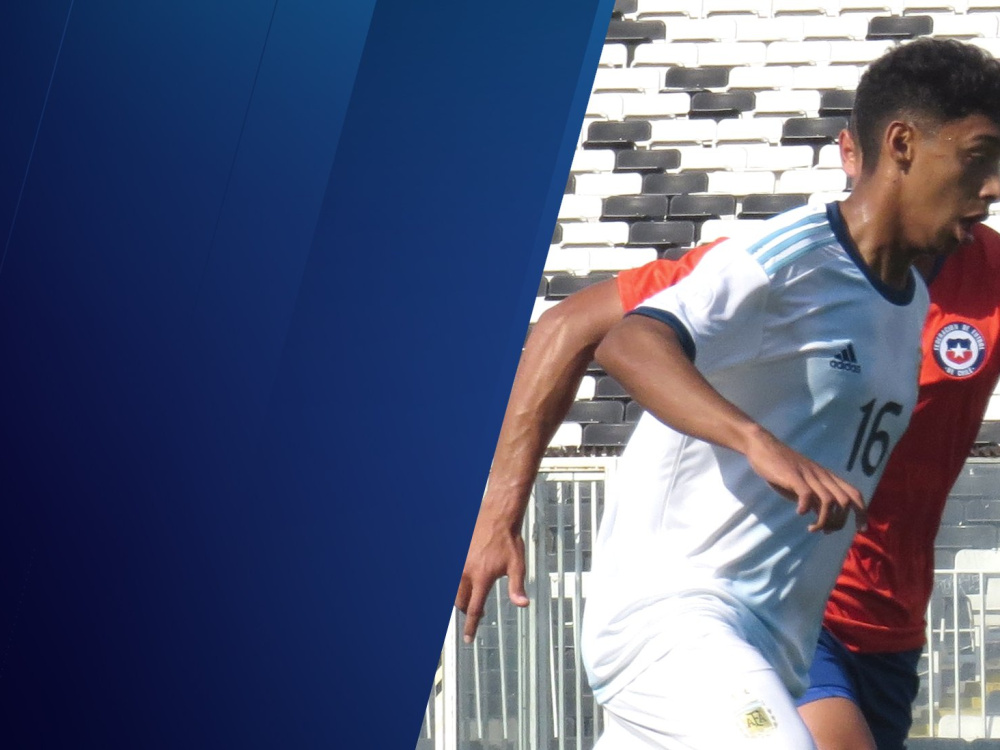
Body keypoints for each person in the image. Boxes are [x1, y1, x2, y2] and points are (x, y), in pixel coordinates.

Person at [456, 39, 1000, 749]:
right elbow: (622, 339)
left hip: (795, 633)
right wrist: (755, 441)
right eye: (979, 157)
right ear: (897, 145)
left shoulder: (904, 304)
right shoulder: (785, 258)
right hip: (680, 617)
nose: (993, 187)